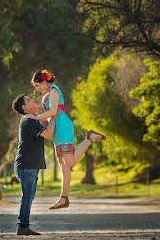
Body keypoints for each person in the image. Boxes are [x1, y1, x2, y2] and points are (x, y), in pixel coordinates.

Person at [23, 69, 105, 210]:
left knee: (70, 161)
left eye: (37, 85)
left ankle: (89, 138)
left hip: (63, 126)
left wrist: (35, 118)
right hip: (57, 129)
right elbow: (50, 114)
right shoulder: (48, 94)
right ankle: (63, 198)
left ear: (44, 81)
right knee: (64, 166)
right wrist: (43, 121)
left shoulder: (54, 90)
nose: (37, 89)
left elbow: (53, 111)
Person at [11, 93, 52, 235]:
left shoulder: (32, 120)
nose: (32, 100)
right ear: (24, 107)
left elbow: (45, 123)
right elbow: (49, 134)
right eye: (29, 100)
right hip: (26, 165)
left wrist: (52, 113)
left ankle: (23, 226)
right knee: (27, 197)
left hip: (30, 165)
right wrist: (53, 115)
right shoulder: (28, 122)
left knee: (29, 197)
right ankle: (22, 227)